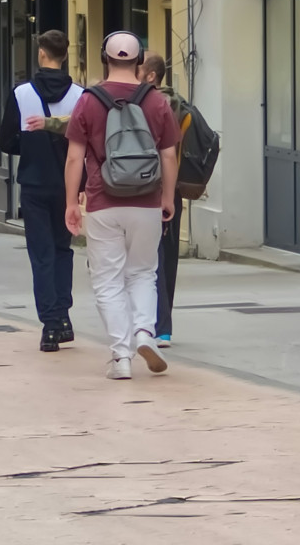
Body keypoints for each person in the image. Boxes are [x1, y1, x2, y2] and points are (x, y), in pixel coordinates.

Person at [64, 32, 179, 380]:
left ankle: (121, 357)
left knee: (107, 280)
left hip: (103, 201)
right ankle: (145, 332)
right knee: (144, 272)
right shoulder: (157, 101)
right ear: (140, 59)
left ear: (105, 58)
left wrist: (71, 201)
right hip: (146, 200)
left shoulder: (88, 101)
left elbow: (74, 157)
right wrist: (168, 198)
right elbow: (170, 155)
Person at [0, 30, 82, 353]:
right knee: (63, 250)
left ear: (42, 54)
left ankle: (50, 324)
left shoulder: (21, 94)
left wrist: (30, 146)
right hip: (66, 185)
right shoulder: (80, 95)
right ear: (64, 56)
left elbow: (6, 141)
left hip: (33, 183)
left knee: (41, 255)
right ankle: (63, 317)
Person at [136, 53, 187, 348]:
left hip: (155, 188)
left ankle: (160, 326)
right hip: (172, 190)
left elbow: (165, 151)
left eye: (139, 69)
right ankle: (163, 323)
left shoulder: (153, 105)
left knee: (154, 258)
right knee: (167, 256)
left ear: (151, 76)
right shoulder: (174, 101)